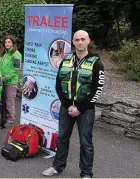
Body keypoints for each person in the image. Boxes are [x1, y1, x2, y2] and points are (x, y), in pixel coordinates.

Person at [42, 30, 105, 179]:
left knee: (86, 143)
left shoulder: (96, 63)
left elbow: (97, 89)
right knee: (62, 138)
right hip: (66, 107)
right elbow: (58, 84)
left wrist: (80, 108)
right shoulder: (66, 61)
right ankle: (57, 167)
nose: (80, 42)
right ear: (73, 42)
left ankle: (86, 173)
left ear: (88, 40)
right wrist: (67, 105)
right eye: (77, 40)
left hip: (86, 110)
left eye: (83, 39)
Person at [0, 35, 22, 127]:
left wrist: (5, 77)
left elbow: (16, 69)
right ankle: (3, 118)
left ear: (13, 43)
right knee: (2, 101)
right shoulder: (2, 54)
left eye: (9, 42)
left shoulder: (16, 54)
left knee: (9, 102)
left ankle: (10, 119)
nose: (7, 44)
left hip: (10, 82)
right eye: (6, 42)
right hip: (1, 81)